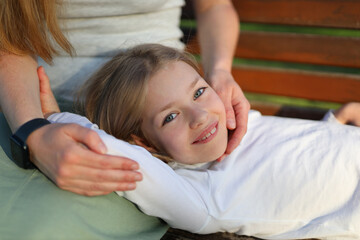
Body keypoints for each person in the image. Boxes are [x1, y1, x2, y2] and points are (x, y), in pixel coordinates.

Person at [40, 44, 360, 239]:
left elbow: (292, 155)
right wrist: (58, 120)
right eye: (170, 116)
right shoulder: (199, 198)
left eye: (198, 92)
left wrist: (330, 130)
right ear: (144, 143)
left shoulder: (234, 126)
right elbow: (115, 156)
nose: (200, 116)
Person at [0, 0, 249, 196]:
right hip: (28, 111)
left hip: (146, 136)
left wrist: (220, 72)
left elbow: (215, 5)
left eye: (200, 93)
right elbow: (6, 39)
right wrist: (33, 131)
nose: (202, 116)